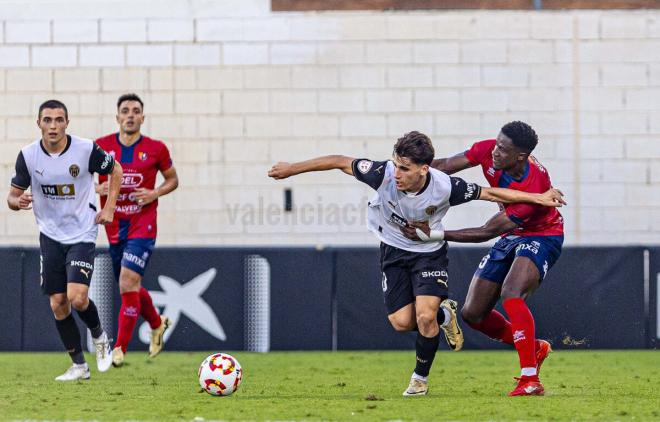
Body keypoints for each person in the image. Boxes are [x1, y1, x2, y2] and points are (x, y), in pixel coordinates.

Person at [268, 131, 564, 396]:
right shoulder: (383, 174)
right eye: (396, 165)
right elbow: (338, 160)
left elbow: (489, 212)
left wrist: (538, 198)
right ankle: (445, 319)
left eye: (404, 168)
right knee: (418, 321)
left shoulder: (449, 188)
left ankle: (428, 379)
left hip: (449, 248)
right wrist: (291, 169)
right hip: (394, 250)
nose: (396, 173)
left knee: (480, 301)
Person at [416, 121, 564, 397]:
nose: (495, 152)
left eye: (503, 149)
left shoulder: (534, 186)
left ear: (520, 156)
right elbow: (446, 165)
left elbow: (487, 231)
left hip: (542, 235)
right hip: (512, 234)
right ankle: (534, 347)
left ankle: (530, 379)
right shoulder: (489, 151)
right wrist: (412, 170)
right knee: (472, 313)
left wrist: (436, 234)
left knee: (512, 293)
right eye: (496, 144)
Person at [7, 99, 123, 381]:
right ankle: (79, 366)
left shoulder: (86, 149)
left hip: (82, 231)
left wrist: (108, 208)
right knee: (58, 303)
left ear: (67, 123)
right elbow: (12, 196)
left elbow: (116, 170)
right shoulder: (28, 155)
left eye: (59, 120)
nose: (53, 126)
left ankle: (99, 336)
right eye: (47, 120)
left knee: (77, 296)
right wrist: (16, 201)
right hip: (49, 234)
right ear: (39, 124)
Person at [95, 93, 179, 367]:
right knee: (130, 285)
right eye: (125, 111)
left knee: (127, 282)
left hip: (143, 224)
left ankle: (119, 349)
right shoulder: (101, 147)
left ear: (143, 117)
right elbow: (83, 182)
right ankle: (157, 322)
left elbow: (173, 180)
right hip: (114, 224)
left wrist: (154, 192)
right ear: (117, 117)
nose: (130, 115)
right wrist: (98, 188)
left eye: (135, 111)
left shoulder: (156, 148)